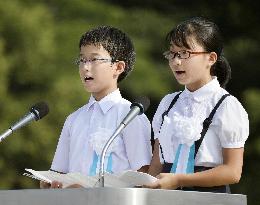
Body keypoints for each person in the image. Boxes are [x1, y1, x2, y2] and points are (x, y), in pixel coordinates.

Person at [145, 17, 249, 193]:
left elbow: (233, 172)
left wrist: (179, 179)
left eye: (185, 53)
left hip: (209, 197)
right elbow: (157, 163)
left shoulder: (226, 105)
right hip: (166, 196)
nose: (176, 61)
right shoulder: (168, 103)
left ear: (211, 58)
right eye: (172, 54)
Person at [40, 26, 152, 188]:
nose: (85, 67)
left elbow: (143, 175)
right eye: (82, 60)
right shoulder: (74, 119)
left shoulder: (131, 115)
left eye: (94, 59)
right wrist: (50, 183)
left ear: (118, 67)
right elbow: (59, 172)